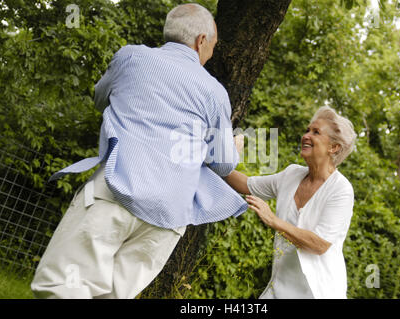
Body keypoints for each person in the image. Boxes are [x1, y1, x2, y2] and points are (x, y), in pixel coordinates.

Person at [31, 3, 247, 299]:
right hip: (167, 218)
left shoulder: (130, 57)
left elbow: (100, 98)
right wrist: (233, 147)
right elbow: (223, 165)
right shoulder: (214, 92)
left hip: (116, 192)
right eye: (212, 45)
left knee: (63, 287)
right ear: (201, 41)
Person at [225, 106, 357, 299]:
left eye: (316, 132)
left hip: (318, 292)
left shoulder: (341, 190)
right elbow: (246, 184)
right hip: (279, 287)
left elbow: (320, 244)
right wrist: (218, 162)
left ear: (334, 147)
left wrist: (273, 220)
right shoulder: (292, 174)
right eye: (307, 130)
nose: (306, 135)